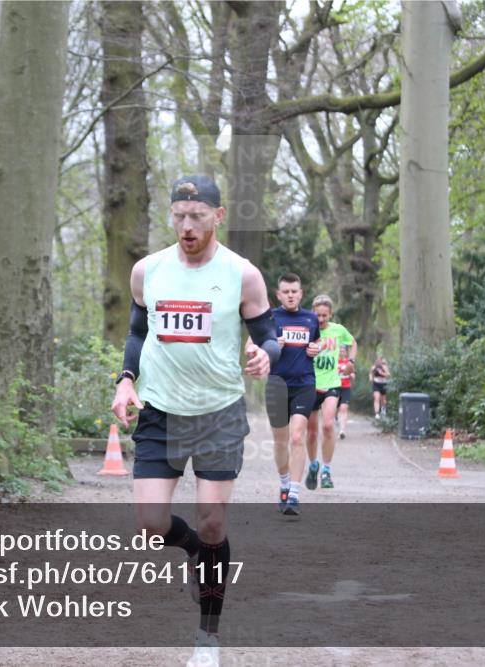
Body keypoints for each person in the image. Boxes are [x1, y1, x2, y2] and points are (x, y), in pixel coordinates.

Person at [111, 175, 277, 667]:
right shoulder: (148, 270)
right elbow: (138, 332)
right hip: (160, 410)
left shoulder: (243, 275)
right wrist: (125, 380)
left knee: (211, 522)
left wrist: (264, 356)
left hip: (219, 413)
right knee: (150, 523)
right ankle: (194, 555)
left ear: (218, 216)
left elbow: (267, 334)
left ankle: (207, 639)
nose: (187, 226)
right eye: (179, 216)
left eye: (197, 217)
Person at [261, 273, 319, 516]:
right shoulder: (270, 318)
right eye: (286, 291)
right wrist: (273, 344)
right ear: (278, 295)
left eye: (294, 291)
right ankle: (284, 482)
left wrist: (315, 348)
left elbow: (315, 343)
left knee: (297, 437)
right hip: (276, 384)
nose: (291, 295)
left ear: (301, 293)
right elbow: (255, 347)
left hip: (304, 383)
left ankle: (294, 494)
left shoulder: (311, 318)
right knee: (281, 441)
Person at [305, 295, 356, 490]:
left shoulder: (338, 330)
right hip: (309, 384)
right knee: (311, 432)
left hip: (332, 383)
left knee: (327, 425)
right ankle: (313, 465)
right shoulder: (307, 330)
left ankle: (326, 470)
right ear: (312, 313)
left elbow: (353, 343)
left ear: (331, 314)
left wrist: (351, 363)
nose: (321, 319)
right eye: (317, 315)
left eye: (324, 315)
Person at [336, 344, 355, 440]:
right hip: (335, 387)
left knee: (343, 408)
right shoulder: (334, 360)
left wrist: (351, 375)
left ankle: (342, 431)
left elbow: (352, 373)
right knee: (335, 410)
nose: (342, 351)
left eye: (343, 350)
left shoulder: (349, 362)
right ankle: (336, 419)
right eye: (340, 349)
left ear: (346, 351)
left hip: (346, 387)